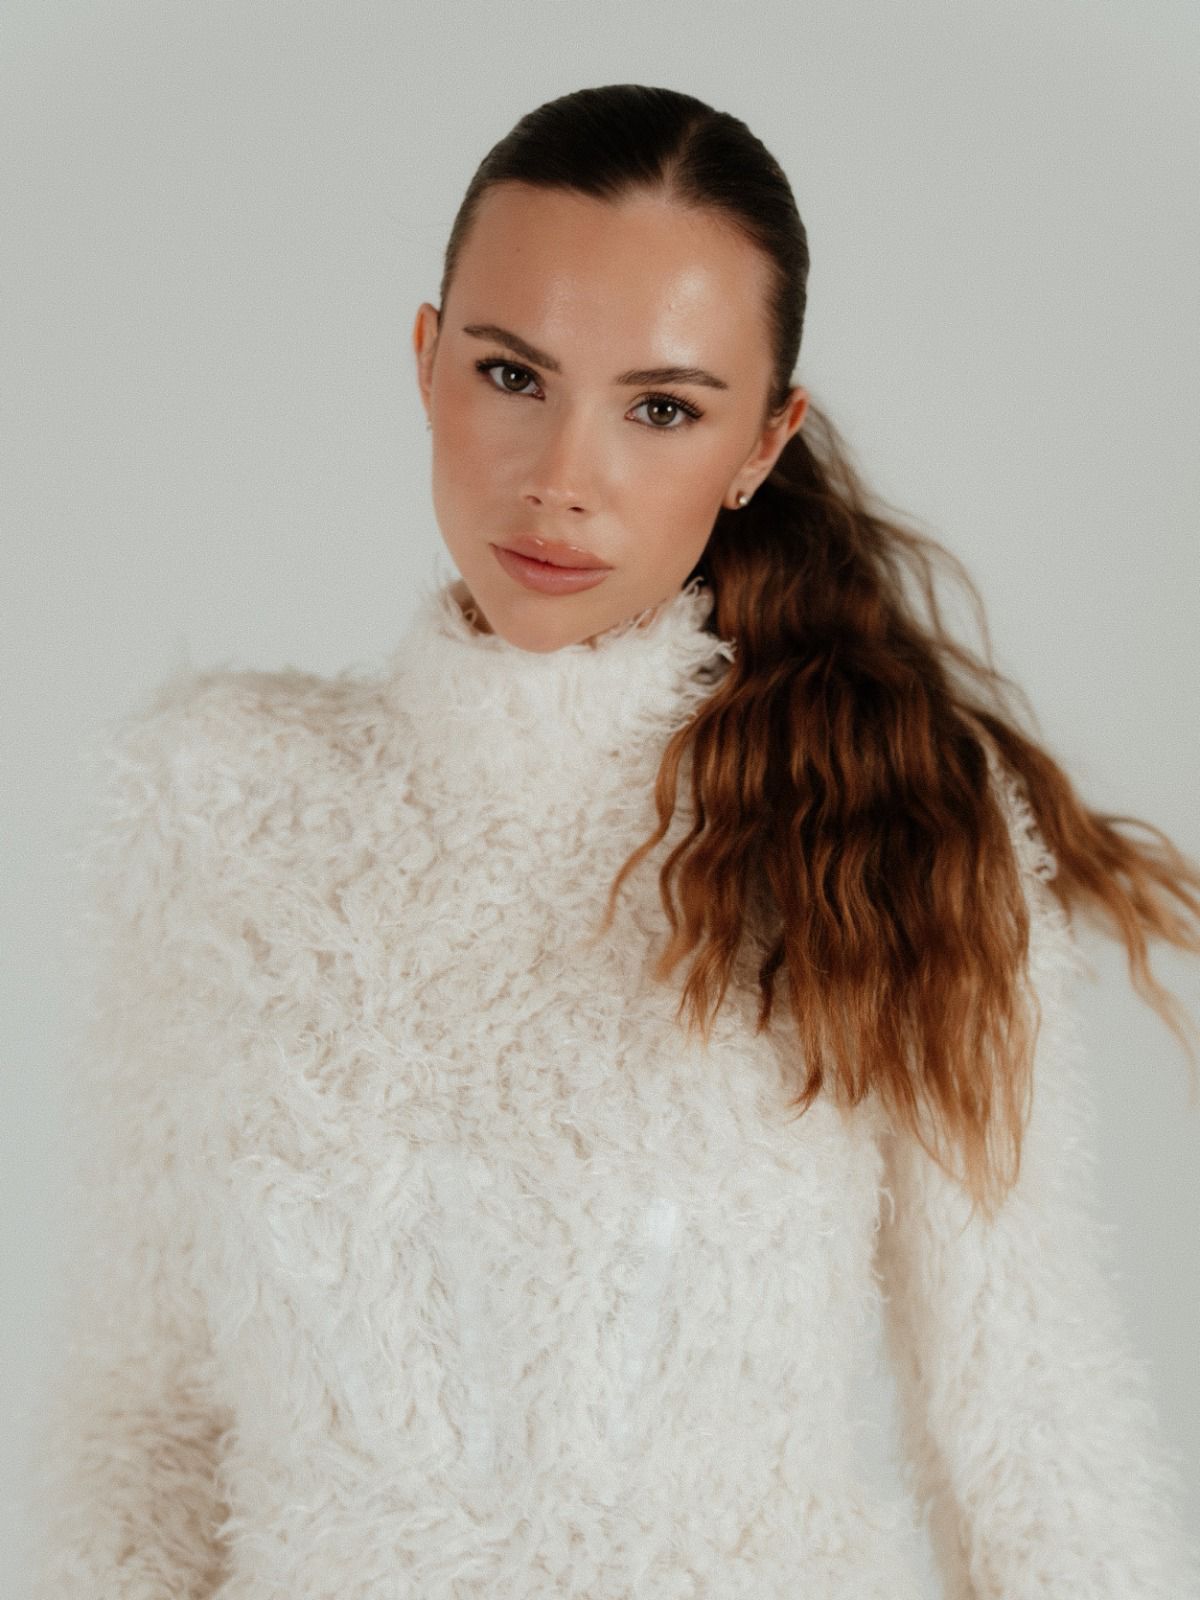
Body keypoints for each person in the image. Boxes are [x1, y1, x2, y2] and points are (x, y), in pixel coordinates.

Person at [25, 82, 1200, 1599]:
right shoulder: (211, 798)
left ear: (762, 442)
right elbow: (142, 1420)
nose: (561, 478)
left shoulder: (891, 830)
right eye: (513, 374)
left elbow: (1029, 1429)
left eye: (662, 408)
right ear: (427, 360)